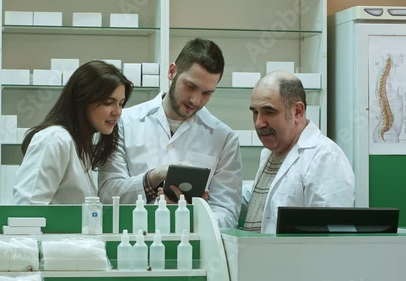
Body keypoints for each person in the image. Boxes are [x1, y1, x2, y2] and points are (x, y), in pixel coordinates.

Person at [98, 38, 242, 228]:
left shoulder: (224, 138)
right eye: (190, 86)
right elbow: (107, 195)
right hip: (132, 241)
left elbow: (227, 213)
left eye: (207, 93)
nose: (196, 100)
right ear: (172, 71)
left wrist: (188, 216)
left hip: (193, 250)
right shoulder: (123, 122)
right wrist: (153, 177)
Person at [243, 70, 355, 233]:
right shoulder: (271, 152)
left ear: (297, 111)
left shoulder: (325, 157)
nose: (259, 122)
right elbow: (261, 198)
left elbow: (331, 236)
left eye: (269, 111)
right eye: (255, 112)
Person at [13, 60, 133, 204]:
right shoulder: (54, 139)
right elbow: (26, 208)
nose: (118, 112)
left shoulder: (80, 145)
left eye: (121, 103)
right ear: (82, 100)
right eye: (108, 102)